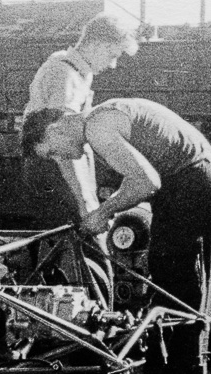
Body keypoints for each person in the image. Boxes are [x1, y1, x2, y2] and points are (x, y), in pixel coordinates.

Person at [22, 98, 211, 374]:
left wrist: (104, 210)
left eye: (52, 151)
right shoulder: (103, 117)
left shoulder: (98, 128)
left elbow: (147, 181)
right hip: (195, 182)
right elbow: (141, 177)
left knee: (178, 290)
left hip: (195, 184)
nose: (59, 158)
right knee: (173, 285)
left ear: (55, 128)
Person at [24, 13, 139, 223]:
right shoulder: (65, 75)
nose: (113, 64)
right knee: (78, 231)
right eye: (112, 55)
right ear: (96, 44)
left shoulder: (78, 70)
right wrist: (84, 201)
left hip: (59, 162)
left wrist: (91, 195)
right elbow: (63, 145)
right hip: (55, 166)